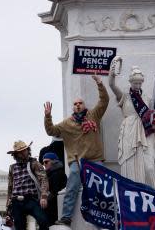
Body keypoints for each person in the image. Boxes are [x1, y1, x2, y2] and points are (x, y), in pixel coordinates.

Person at [43, 74, 110, 226]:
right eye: (75, 104)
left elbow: (104, 101)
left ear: (84, 106)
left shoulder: (93, 115)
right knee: (72, 186)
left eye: (80, 103)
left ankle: (104, 217)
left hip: (95, 160)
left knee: (102, 189)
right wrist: (48, 116)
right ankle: (66, 217)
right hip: (77, 161)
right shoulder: (66, 124)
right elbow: (51, 131)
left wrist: (100, 83)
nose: (78, 105)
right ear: (73, 107)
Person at [108, 64, 155, 187]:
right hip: (129, 131)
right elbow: (111, 85)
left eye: (139, 83)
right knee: (130, 167)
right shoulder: (125, 96)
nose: (137, 86)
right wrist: (112, 74)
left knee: (149, 168)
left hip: (145, 131)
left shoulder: (147, 98)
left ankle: (153, 195)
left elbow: (152, 117)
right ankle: (132, 193)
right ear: (130, 82)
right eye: (135, 83)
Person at [4, 140, 50, 230]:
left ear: (28, 150)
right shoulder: (12, 167)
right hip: (16, 201)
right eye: (19, 152)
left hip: (31, 199)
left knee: (43, 221)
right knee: (19, 227)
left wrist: (44, 196)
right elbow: (10, 187)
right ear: (15, 154)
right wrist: (8, 206)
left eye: (24, 151)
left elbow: (43, 179)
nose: (23, 154)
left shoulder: (34, 164)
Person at [41, 152, 68, 225]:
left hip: (55, 209)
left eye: (46, 162)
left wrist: (45, 199)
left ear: (54, 161)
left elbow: (55, 191)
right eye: (43, 163)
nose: (44, 164)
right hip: (51, 208)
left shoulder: (58, 173)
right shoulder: (49, 174)